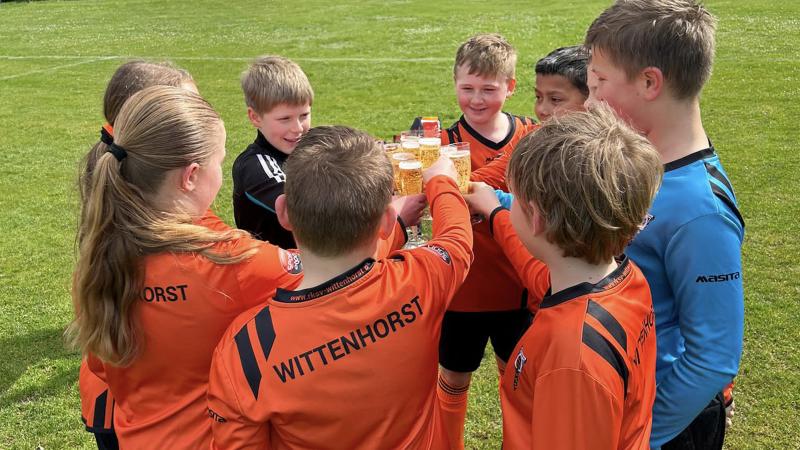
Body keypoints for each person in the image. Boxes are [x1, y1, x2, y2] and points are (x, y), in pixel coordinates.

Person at [207, 126, 473, 449]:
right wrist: (441, 181)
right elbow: (457, 240)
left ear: (284, 213)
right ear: (387, 221)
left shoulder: (246, 349)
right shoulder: (419, 282)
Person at [68, 86, 303, 449]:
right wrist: (392, 224)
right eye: (219, 163)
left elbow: (102, 367)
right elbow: (333, 269)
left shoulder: (99, 257)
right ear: (191, 175)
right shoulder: (231, 260)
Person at [585, 1, 744, 448]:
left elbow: (713, 358)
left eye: (598, 83)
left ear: (649, 82)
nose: (591, 98)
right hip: (625, 392)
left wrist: (643, 434)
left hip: (668, 422)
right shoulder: (641, 161)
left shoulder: (700, 212)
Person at [466, 104, 663, 448]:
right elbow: (537, 271)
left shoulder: (571, 360)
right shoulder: (623, 278)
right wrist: (497, 211)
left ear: (536, 217)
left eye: (514, 199)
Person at [77, 60, 197, 450]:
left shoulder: (116, 178)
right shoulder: (147, 208)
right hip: (127, 405)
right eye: (184, 109)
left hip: (121, 391)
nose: (198, 119)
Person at [435, 33, 537, 449]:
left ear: (510, 87)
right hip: (462, 292)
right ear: (455, 83)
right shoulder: (437, 145)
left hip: (518, 289)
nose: (477, 99)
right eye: (467, 88)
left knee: (518, 380)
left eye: (489, 89)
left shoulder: (531, 136)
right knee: (453, 378)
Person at [233, 55, 422, 250]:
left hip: (324, 265)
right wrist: (395, 214)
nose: (297, 128)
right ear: (255, 117)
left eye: (304, 115)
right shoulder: (254, 166)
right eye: (284, 119)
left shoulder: (313, 146)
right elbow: (314, 209)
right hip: (284, 274)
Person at [492, 44, 590, 210]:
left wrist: (494, 202)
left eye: (556, 100)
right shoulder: (534, 137)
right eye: (538, 97)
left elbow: (552, 215)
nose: (542, 110)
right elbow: (493, 174)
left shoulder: (595, 157)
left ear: (591, 98)